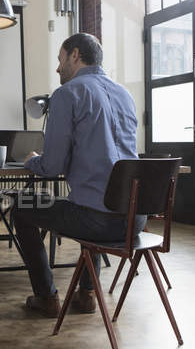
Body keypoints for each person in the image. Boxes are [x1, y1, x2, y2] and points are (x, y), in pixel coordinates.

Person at [13, 33, 146, 318]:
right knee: (92, 199)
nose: (58, 68)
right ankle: (86, 294)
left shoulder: (68, 93)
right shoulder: (125, 94)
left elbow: (52, 168)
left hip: (99, 222)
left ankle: (46, 297)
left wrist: (33, 161)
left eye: (60, 60)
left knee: (22, 207)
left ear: (75, 55)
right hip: (135, 221)